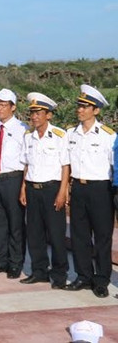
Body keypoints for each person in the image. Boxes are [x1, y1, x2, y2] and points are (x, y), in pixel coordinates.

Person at [63, 84, 115, 298]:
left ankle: (101, 280)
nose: (80, 109)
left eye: (86, 106)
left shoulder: (108, 135)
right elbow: (66, 163)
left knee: (102, 237)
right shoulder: (70, 133)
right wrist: (66, 189)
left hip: (100, 189)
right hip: (78, 188)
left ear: (96, 110)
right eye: (79, 105)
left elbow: (114, 165)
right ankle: (83, 275)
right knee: (79, 235)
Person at [18, 92, 69, 289]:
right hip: (32, 188)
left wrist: (62, 192)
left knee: (56, 234)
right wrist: (23, 188)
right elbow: (26, 165)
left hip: (51, 189)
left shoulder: (59, 136)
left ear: (49, 115)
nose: (34, 116)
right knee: (35, 233)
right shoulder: (28, 137)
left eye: (39, 113)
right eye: (32, 113)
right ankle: (39, 271)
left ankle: (59, 274)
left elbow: (66, 166)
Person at [0, 88, 28, 279]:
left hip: (13, 179)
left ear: (13, 107)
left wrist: (23, 186)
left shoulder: (22, 129)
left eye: (3, 105)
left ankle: (15, 263)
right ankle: (0, 261)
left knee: (15, 225)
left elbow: (26, 160)